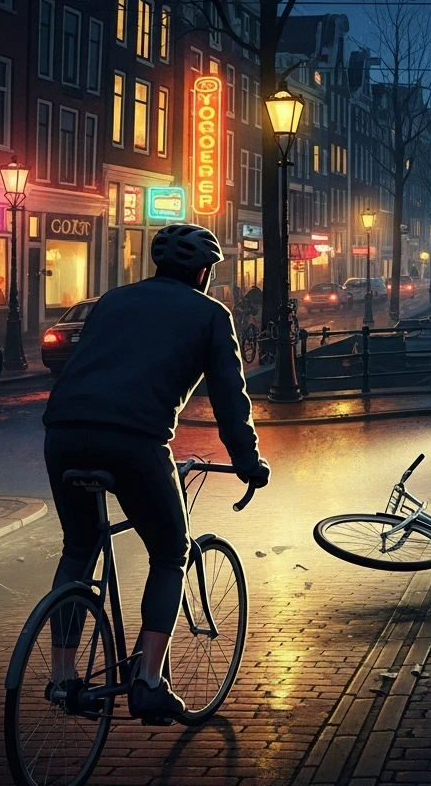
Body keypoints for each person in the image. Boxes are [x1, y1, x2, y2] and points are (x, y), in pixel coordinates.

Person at [42, 223, 270, 722]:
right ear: (204, 272)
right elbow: (230, 400)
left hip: (62, 433)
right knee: (170, 551)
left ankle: (62, 677)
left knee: (79, 547)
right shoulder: (211, 315)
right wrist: (248, 462)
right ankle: (148, 681)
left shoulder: (112, 301)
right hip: (134, 441)